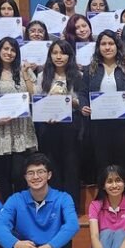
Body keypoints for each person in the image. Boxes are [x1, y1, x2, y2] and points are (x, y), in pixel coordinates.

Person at [0, 37, 38, 200]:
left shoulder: (25, 71)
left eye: (13, 50)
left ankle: (22, 207)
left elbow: (34, 96)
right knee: (4, 176)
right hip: (1, 130)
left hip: (21, 129)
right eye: (5, 49)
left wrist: (25, 73)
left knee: (20, 174)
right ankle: (8, 208)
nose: (9, 53)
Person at [80, 30, 125, 177]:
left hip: (122, 125)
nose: (107, 47)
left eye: (111, 43)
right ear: (98, 47)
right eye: (103, 44)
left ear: (117, 46)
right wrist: (83, 106)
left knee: (122, 162)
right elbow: (82, 93)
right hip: (98, 126)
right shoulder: (90, 69)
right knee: (102, 163)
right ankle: (103, 191)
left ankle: (123, 190)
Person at [35, 40, 84, 206]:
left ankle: (71, 206)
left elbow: (83, 101)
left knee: (71, 166)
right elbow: (37, 99)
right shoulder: (42, 76)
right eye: (55, 53)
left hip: (71, 126)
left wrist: (69, 101)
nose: (58, 56)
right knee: (51, 166)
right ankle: (54, 205)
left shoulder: (78, 76)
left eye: (62, 53)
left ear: (69, 56)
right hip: (47, 126)